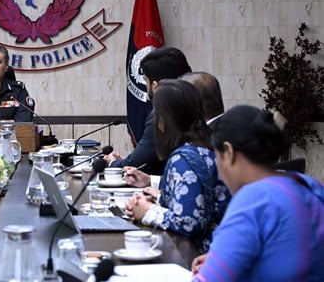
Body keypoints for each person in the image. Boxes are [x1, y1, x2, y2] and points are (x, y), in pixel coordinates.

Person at [192, 106, 324, 281]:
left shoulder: (253, 199)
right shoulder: (306, 184)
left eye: (217, 157)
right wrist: (223, 258)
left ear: (229, 151)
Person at [124, 80, 230, 253]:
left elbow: (189, 222)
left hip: (202, 255)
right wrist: (158, 200)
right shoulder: (206, 145)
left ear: (163, 121)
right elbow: (201, 202)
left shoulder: (184, 158)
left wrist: (148, 211)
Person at [124, 71, 225, 187]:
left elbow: (189, 201)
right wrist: (150, 180)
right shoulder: (203, 134)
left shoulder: (220, 138)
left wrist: (149, 206)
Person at [105, 47, 192, 175]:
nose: (145, 86)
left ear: (155, 86)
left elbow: (136, 162)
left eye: (145, 80)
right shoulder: (194, 105)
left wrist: (112, 162)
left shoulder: (162, 115)